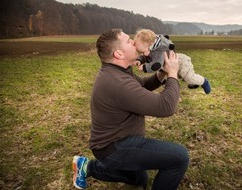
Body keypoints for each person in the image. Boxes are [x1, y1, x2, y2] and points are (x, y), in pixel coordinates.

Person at [72, 28, 189, 190]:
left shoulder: (117, 71)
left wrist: (162, 72)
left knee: (139, 178)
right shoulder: (117, 83)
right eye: (128, 41)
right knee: (179, 158)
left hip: (118, 141)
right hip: (114, 147)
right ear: (118, 54)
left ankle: (87, 167)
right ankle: (95, 166)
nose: (134, 41)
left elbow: (142, 85)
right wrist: (173, 74)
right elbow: (166, 107)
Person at [134, 29, 211, 94]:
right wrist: (140, 60)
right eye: (140, 52)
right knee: (164, 75)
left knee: (189, 77)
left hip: (182, 63)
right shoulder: (150, 48)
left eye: (143, 52)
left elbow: (156, 65)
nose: (142, 54)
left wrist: (145, 67)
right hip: (168, 65)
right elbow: (146, 56)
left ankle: (204, 82)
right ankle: (193, 82)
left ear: (150, 45)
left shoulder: (159, 51)